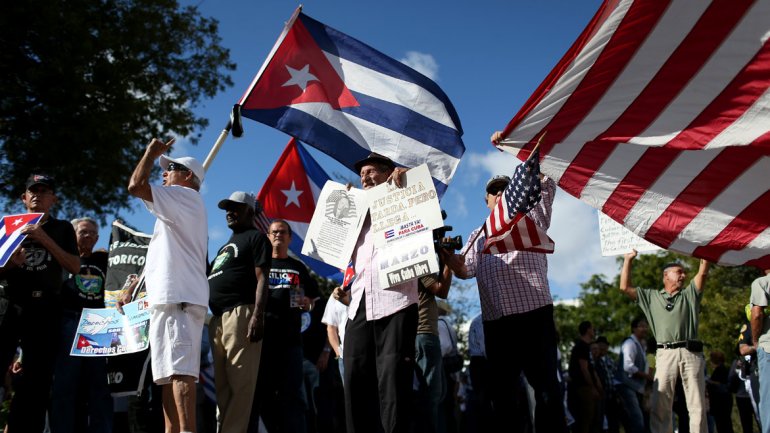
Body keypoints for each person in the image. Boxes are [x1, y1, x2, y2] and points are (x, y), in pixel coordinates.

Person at [442, 133, 566, 433]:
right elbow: (463, 270)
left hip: (534, 317)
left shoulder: (532, 217)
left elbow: (545, 176)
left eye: (505, 190)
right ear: (486, 202)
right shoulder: (476, 236)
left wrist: (517, 145)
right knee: (504, 398)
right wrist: (445, 254)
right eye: (494, 193)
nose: (500, 195)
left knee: (548, 391)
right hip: (497, 325)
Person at [330, 152, 416, 433]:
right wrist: (342, 206)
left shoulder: (406, 192)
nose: (365, 178)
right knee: (354, 376)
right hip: (359, 303)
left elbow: (427, 206)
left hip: (396, 299)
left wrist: (408, 180)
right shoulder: (356, 209)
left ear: (388, 172)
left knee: (392, 381)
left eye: (371, 172)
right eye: (362, 174)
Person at [127, 138, 209, 433]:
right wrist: (136, 292)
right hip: (169, 300)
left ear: (187, 177)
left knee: (180, 373)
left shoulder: (184, 197)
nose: (164, 172)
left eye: (170, 168)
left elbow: (135, 186)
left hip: (180, 299)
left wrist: (150, 152)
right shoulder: (173, 210)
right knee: (166, 377)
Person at [0, 173, 79, 431]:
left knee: (37, 380)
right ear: (24, 198)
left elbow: (75, 267)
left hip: (45, 309)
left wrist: (44, 238)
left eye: (44, 191)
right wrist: (10, 263)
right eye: (32, 191)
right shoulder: (8, 227)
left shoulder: (63, 228)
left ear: (53, 199)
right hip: (11, 305)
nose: (37, 195)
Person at [619, 249, 710, 433]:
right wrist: (628, 259)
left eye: (684, 272)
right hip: (665, 354)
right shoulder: (651, 297)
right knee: (660, 404)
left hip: (690, 353)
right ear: (666, 276)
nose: (683, 275)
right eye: (679, 272)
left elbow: (703, 272)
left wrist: (705, 251)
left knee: (697, 404)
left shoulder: (690, 295)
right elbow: (625, 287)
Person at [207, 191, 271, 433]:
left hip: (241, 314)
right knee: (222, 388)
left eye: (236, 208)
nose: (230, 213)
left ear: (250, 211)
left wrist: (258, 315)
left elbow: (262, 277)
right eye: (227, 209)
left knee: (241, 386)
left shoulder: (256, 238)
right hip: (218, 319)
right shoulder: (224, 246)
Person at [249, 219, 318, 433]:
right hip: (262, 341)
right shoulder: (259, 264)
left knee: (294, 397)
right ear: (268, 236)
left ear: (289, 237)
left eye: (282, 232)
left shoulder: (298, 267)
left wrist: (308, 303)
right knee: (264, 395)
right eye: (274, 232)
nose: (278, 235)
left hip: (291, 342)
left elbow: (312, 298)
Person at [51, 217, 113, 433]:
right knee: (65, 385)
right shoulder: (63, 258)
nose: (88, 236)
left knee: (99, 387)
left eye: (92, 233)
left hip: (98, 324)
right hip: (69, 321)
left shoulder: (104, 260)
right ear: (73, 234)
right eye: (83, 232)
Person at [414, 269, 452, 433]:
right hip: (424, 334)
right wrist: (448, 262)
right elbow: (441, 290)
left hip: (419, 335)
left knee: (430, 395)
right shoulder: (418, 257)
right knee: (431, 396)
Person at [615, 317, 652, 433]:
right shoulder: (630, 344)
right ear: (633, 329)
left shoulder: (640, 345)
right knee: (637, 418)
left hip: (635, 387)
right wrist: (646, 376)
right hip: (626, 385)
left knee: (637, 418)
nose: (645, 329)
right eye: (641, 326)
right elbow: (628, 366)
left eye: (646, 326)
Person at [567, 321, 602, 433]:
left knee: (592, 419)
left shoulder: (585, 346)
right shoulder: (581, 346)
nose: (594, 330)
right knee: (586, 419)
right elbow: (584, 368)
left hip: (586, 387)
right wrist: (592, 387)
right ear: (587, 330)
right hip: (583, 387)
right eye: (592, 328)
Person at [749, 268, 770, 433]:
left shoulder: (762, 283)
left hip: (769, 348)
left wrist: (755, 340)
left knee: (768, 399)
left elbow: (757, 314)